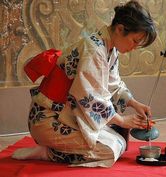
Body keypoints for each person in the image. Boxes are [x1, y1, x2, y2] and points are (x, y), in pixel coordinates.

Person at [12, 0, 157, 167]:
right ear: (120, 29)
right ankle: (49, 153)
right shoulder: (94, 50)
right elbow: (89, 98)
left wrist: (134, 103)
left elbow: (114, 85)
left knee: (119, 140)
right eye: (135, 41)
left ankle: (56, 148)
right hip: (50, 118)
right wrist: (122, 121)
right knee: (110, 150)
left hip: (70, 114)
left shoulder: (109, 48)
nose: (134, 47)